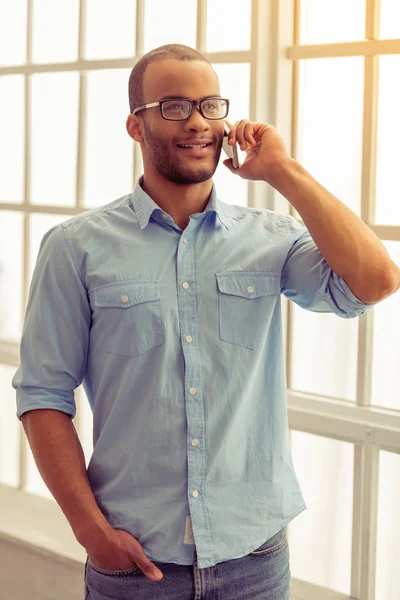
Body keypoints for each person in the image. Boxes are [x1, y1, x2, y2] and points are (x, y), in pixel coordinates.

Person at [12, 43, 399, 600]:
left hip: (256, 563)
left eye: (210, 105)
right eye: (173, 106)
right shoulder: (75, 248)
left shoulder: (271, 239)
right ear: (135, 125)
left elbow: (377, 281)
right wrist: (90, 531)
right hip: (136, 564)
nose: (198, 123)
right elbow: (44, 395)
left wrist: (283, 171)